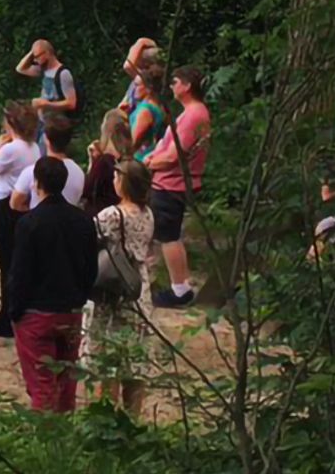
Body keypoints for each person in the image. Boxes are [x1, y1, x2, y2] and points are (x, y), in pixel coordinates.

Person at [7, 157, 98, 413]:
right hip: (71, 309)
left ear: (37, 184)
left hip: (37, 312)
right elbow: (91, 267)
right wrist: (81, 297)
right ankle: (66, 431)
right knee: (67, 378)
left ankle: (44, 442)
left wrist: (15, 310)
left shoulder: (29, 223)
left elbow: (20, 272)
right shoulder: (83, 221)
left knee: (41, 384)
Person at [84, 159, 155, 415]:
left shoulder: (112, 215)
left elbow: (87, 237)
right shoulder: (148, 214)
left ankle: (104, 415)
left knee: (107, 361)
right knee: (134, 362)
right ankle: (133, 417)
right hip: (138, 286)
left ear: (124, 183)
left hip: (112, 289)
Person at [147, 66, 211, 309]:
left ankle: (178, 291)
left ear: (186, 85)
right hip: (176, 181)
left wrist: (150, 162)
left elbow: (174, 156)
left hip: (171, 182)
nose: (171, 87)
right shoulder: (196, 113)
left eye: (175, 82)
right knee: (172, 234)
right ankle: (181, 285)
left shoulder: (193, 115)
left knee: (168, 236)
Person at [0, 101, 41, 339]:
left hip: (6, 205)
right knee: (18, 261)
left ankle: (8, 316)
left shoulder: (11, 149)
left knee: (6, 262)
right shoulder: (34, 147)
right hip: (24, 205)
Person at [10, 112, 85, 212]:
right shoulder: (78, 172)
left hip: (39, 223)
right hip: (68, 223)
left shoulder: (33, 171)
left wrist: (30, 211)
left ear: (46, 140)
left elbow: (14, 203)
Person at [83, 109, 131, 217]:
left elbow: (87, 190)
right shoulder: (128, 160)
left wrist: (92, 162)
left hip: (102, 216)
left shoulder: (103, 162)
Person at [128, 72, 168, 162]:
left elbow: (135, 139)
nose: (134, 89)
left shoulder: (145, 110)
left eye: (137, 85)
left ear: (148, 88)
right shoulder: (159, 106)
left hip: (140, 158)